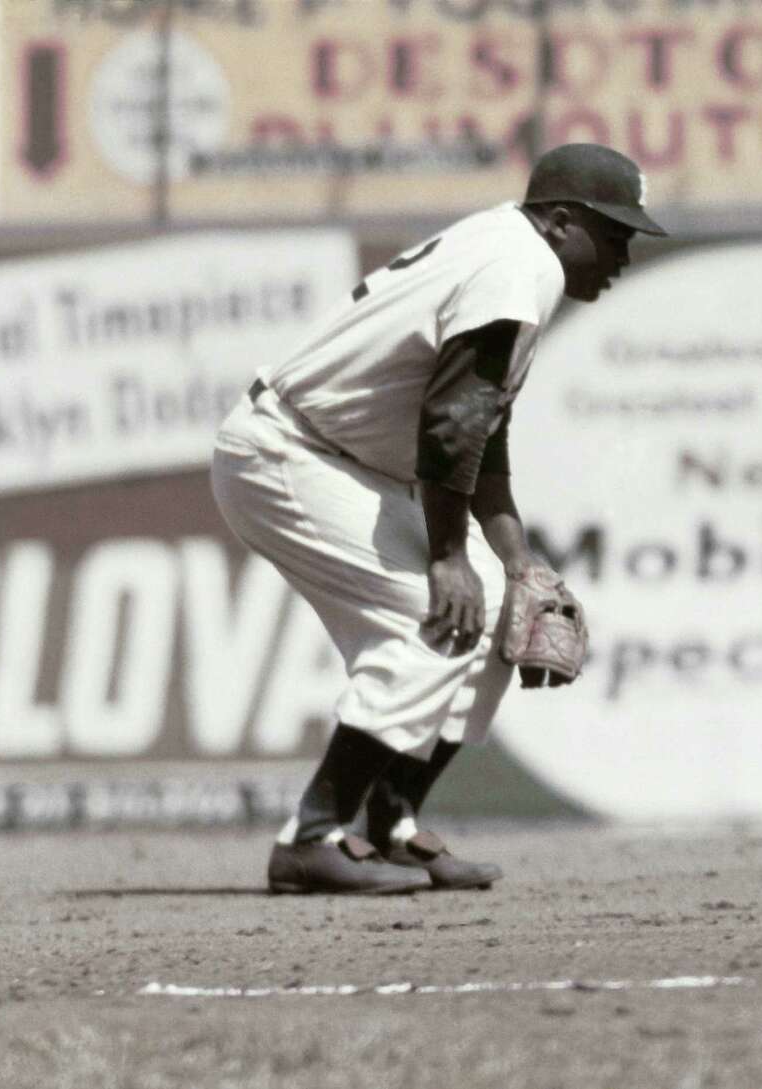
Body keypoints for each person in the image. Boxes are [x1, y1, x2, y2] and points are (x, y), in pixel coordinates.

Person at [211, 143, 667, 895]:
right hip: (285, 450)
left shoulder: (509, 252)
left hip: (333, 456)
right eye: (613, 233)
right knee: (437, 612)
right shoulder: (520, 267)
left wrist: (514, 557)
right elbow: (452, 424)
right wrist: (448, 556)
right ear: (559, 222)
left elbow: (481, 427)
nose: (623, 253)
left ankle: (391, 826)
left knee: (493, 606)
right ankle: (311, 837)